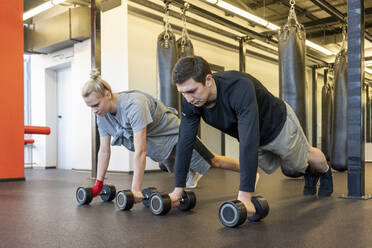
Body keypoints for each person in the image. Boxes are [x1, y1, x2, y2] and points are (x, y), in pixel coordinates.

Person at [168, 56, 333, 216]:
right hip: (257, 138)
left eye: (191, 91)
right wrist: (178, 190)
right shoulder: (191, 102)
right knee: (292, 165)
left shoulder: (239, 87)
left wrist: (245, 197)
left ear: (208, 80)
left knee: (303, 157)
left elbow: (248, 139)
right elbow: (185, 142)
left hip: (278, 125)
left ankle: (325, 171)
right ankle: (309, 173)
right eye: (182, 93)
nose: (188, 99)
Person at [81, 71, 246, 204]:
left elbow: (140, 150)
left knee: (212, 161)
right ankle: (192, 172)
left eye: (96, 105)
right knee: (168, 165)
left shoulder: (134, 105)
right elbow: (104, 151)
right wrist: (98, 184)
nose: (94, 110)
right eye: (90, 107)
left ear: (108, 95)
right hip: (157, 142)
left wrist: (135, 189)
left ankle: (248, 171)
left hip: (173, 132)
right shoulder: (101, 116)